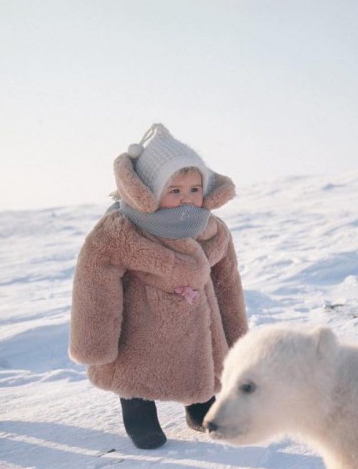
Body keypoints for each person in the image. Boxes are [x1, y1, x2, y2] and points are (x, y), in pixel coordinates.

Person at [69, 124, 248, 449]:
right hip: (141, 320)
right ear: (150, 190)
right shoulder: (122, 228)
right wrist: (94, 342)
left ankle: (200, 407)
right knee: (135, 368)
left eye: (194, 189)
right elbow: (94, 281)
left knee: (202, 366)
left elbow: (228, 284)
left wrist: (237, 337)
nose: (187, 199)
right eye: (174, 190)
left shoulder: (211, 228)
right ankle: (139, 413)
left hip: (199, 321)